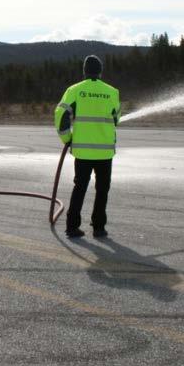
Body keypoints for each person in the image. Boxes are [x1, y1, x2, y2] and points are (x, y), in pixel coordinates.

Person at [54, 55, 121, 238]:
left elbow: (61, 115)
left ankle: (72, 226)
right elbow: (117, 119)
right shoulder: (112, 91)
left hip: (83, 152)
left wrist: (67, 139)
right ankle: (99, 227)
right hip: (105, 152)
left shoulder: (74, 90)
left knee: (80, 188)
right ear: (100, 71)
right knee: (102, 190)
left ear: (84, 71)